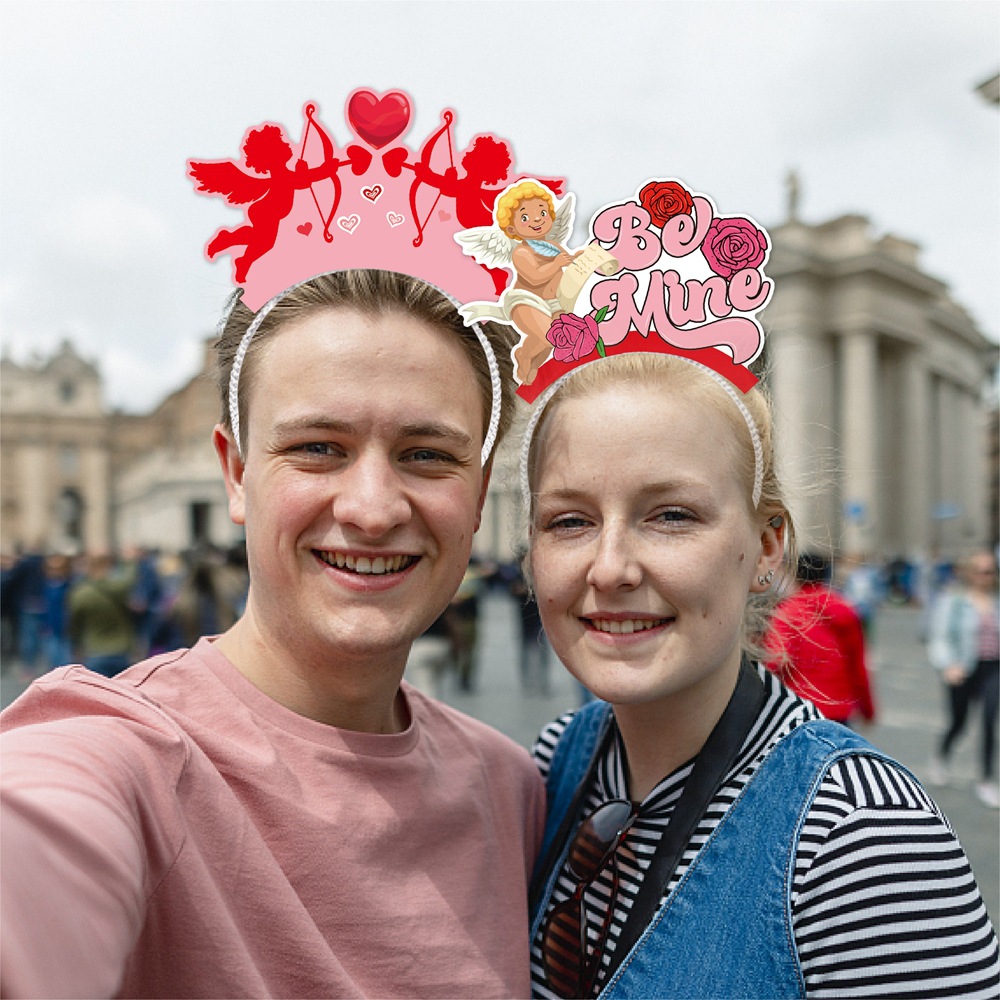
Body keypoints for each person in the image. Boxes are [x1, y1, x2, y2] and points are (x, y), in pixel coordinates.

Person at [0, 269, 545, 999]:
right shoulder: (124, 749)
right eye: (319, 447)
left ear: (478, 495)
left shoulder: (512, 790)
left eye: (427, 455)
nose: (373, 508)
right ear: (235, 474)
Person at [523, 354, 999, 998]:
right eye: (569, 521)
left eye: (671, 515)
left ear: (768, 547)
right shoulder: (557, 758)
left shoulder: (862, 834)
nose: (610, 570)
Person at [765, 552, 876, 727]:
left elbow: (776, 661)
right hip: (838, 707)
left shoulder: (788, 612)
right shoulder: (845, 610)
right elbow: (858, 665)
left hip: (798, 706)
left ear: (795, 574)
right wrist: (868, 709)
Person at [928, 550, 1000, 809]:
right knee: (959, 722)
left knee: (990, 720)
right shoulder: (955, 601)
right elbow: (940, 636)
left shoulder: (996, 601)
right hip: (963, 668)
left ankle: (986, 780)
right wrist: (948, 665)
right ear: (971, 573)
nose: (986, 576)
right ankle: (942, 755)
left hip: (993, 669)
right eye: (981, 571)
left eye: (990, 571)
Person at [67, 549, 137, 678]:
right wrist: (130, 561)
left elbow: (74, 624)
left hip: (95, 650)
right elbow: (131, 578)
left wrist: (76, 647)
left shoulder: (80, 594)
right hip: (122, 648)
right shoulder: (119, 588)